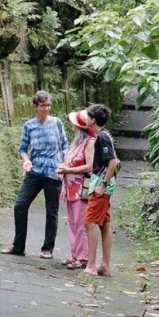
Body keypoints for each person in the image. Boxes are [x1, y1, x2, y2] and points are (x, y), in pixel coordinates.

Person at [3, 89, 68, 259]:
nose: (46, 109)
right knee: (20, 205)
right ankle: (18, 247)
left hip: (54, 171)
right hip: (35, 170)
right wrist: (26, 160)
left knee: (52, 211)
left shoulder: (57, 123)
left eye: (48, 105)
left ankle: (47, 249)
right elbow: (23, 149)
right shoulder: (29, 125)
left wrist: (65, 164)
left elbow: (65, 146)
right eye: (42, 106)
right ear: (35, 106)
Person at [82, 103, 121, 278]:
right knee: (104, 225)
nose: (85, 118)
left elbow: (113, 162)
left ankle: (91, 266)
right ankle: (105, 265)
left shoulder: (103, 137)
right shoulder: (105, 136)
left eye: (88, 115)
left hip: (100, 186)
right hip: (102, 185)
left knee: (90, 223)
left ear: (93, 119)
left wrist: (103, 185)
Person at [56, 108, 95, 270]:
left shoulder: (90, 142)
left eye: (74, 124)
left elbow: (90, 166)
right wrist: (64, 168)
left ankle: (83, 257)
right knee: (72, 223)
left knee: (80, 224)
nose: (72, 126)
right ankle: (76, 255)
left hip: (81, 189)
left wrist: (68, 171)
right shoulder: (76, 142)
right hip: (71, 188)